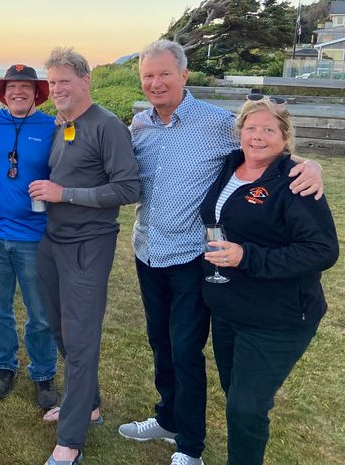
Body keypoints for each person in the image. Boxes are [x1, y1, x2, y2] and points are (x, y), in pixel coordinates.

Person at [119, 39, 324, 465]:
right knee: (160, 343)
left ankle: (189, 447)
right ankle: (168, 417)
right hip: (147, 251)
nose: (156, 83)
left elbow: (264, 140)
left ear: (183, 75)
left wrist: (308, 164)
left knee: (184, 349)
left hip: (193, 257)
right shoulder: (139, 125)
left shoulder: (216, 122)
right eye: (148, 76)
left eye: (164, 74)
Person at [199, 97, 337, 465]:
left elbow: (322, 251)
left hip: (279, 318)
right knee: (236, 396)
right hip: (229, 310)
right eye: (251, 128)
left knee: (246, 408)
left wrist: (247, 256)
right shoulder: (230, 166)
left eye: (268, 130)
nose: (257, 137)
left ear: (285, 137)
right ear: (240, 132)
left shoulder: (295, 181)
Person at [31, 47, 140, 465]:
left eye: (64, 81)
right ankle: (88, 403)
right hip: (52, 240)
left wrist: (65, 194)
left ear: (85, 81)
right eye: (53, 82)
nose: (56, 88)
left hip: (88, 245)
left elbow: (129, 189)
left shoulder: (107, 126)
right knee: (58, 326)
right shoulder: (65, 124)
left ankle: (71, 441)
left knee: (80, 337)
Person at [0, 64, 59, 410]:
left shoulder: (53, 126)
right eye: (12, 87)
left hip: (35, 235)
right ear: (3, 92)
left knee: (40, 312)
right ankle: (4, 366)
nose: (18, 92)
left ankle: (43, 373)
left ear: (37, 93)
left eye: (26, 87)